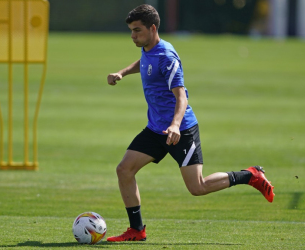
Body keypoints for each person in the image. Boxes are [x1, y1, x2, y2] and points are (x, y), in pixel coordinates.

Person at [106, 4, 275, 242]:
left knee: (198, 187)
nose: (133, 35)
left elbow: (181, 96)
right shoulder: (149, 49)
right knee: (124, 170)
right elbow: (144, 64)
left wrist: (174, 126)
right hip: (156, 129)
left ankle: (249, 175)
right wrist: (122, 72)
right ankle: (137, 230)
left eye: (137, 30)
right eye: (131, 31)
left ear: (153, 28)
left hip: (181, 129)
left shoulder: (167, 56)